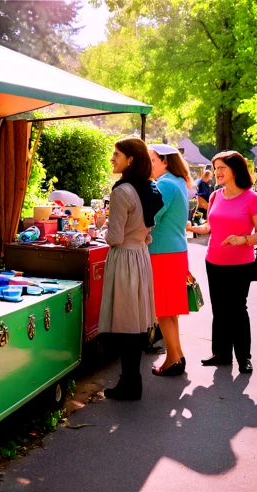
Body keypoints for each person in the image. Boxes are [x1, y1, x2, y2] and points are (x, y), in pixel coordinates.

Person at [186, 150, 257, 373]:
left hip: (241, 263)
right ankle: (221, 353)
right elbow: (209, 228)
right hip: (213, 261)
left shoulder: (251, 198)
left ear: (235, 169)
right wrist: (190, 227)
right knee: (219, 309)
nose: (217, 172)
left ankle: (244, 357)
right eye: (216, 168)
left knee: (237, 309)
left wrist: (242, 239)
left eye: (222, 167)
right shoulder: (215, 196)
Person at [99, 137, 164, 400]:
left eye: (116, 154)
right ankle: (132, 381)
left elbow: (114, 237)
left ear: (130, 159)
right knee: (136, 320)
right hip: (140, 256)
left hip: (124, 257)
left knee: (125, 320)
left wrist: (103, 229)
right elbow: (148, 232)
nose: (112, 158)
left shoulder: (122, 191)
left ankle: (130, 382)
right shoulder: (151, 187)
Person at [148, 144, 193, 376]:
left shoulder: (165, 184)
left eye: (153, 160)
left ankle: (172, 360)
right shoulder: (179, 182)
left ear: (165, 161)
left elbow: (152, 216)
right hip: (175, 250)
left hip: (162, 252)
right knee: (170, 310)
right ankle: (177, 356)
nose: (150, 165)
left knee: (164, 310)